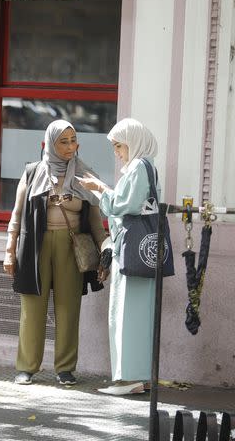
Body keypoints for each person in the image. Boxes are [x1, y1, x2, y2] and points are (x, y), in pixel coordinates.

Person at [3, 120, 106, 386]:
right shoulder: (32, 172)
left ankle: (65, 369)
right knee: (32, 308)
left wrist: (105, 248)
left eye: (74, 140)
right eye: (64, 141)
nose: (71, 146)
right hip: (35, 246)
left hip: (71, 248)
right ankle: (26, 367)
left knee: (68, 307)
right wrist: (9, 251)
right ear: (50, 143)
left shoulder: (86, 175)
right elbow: (16, 215)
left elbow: (95, 220)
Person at [76, 118, 160, 395]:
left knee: (126, 313)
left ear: (132, 142)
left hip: (131, 251)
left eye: (119, 145)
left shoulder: (137, 167)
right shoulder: (147, 167)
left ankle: (129, 379)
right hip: (140, 251)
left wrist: (100, 190)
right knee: (137, 314)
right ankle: (139, 377)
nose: (116, 151)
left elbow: (125, 206)